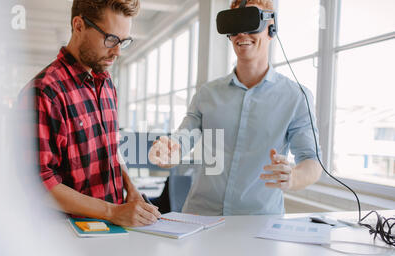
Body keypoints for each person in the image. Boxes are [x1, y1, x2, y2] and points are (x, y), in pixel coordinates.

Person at [149, 0, 322, 215]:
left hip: (257, 222)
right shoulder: (207, 93)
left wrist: (293, 177)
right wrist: (169, 152)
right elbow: (184, 137)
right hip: (201, 216)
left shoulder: (296, 97)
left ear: (271, 28)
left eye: (250, 22)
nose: (241, 34)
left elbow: (312, 162)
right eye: (234, 26)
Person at [18, 0, 160, 226]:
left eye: (123, 42)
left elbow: (110, 147)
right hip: (69, 238)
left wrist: (130, 187)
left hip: (112, 229)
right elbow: (38, 183)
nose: (117, 52)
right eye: (111, 39)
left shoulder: (106, 83)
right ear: (79, 25)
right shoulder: (44, 92)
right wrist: (113, 212)